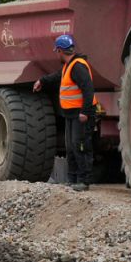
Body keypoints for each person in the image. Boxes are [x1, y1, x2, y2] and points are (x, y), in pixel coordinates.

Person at [32, 34, 95, 191]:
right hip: (71, 114)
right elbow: (57, 76)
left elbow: (88, 90)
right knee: (71, 147)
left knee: (80, 146)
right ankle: (72, 179)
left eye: (57, 51)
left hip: (81, 114)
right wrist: (42, 81)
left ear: (60, 50)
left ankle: (83, 181)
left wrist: (85, 112)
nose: (57, 54)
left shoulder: (78, 67)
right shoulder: (69, 66)